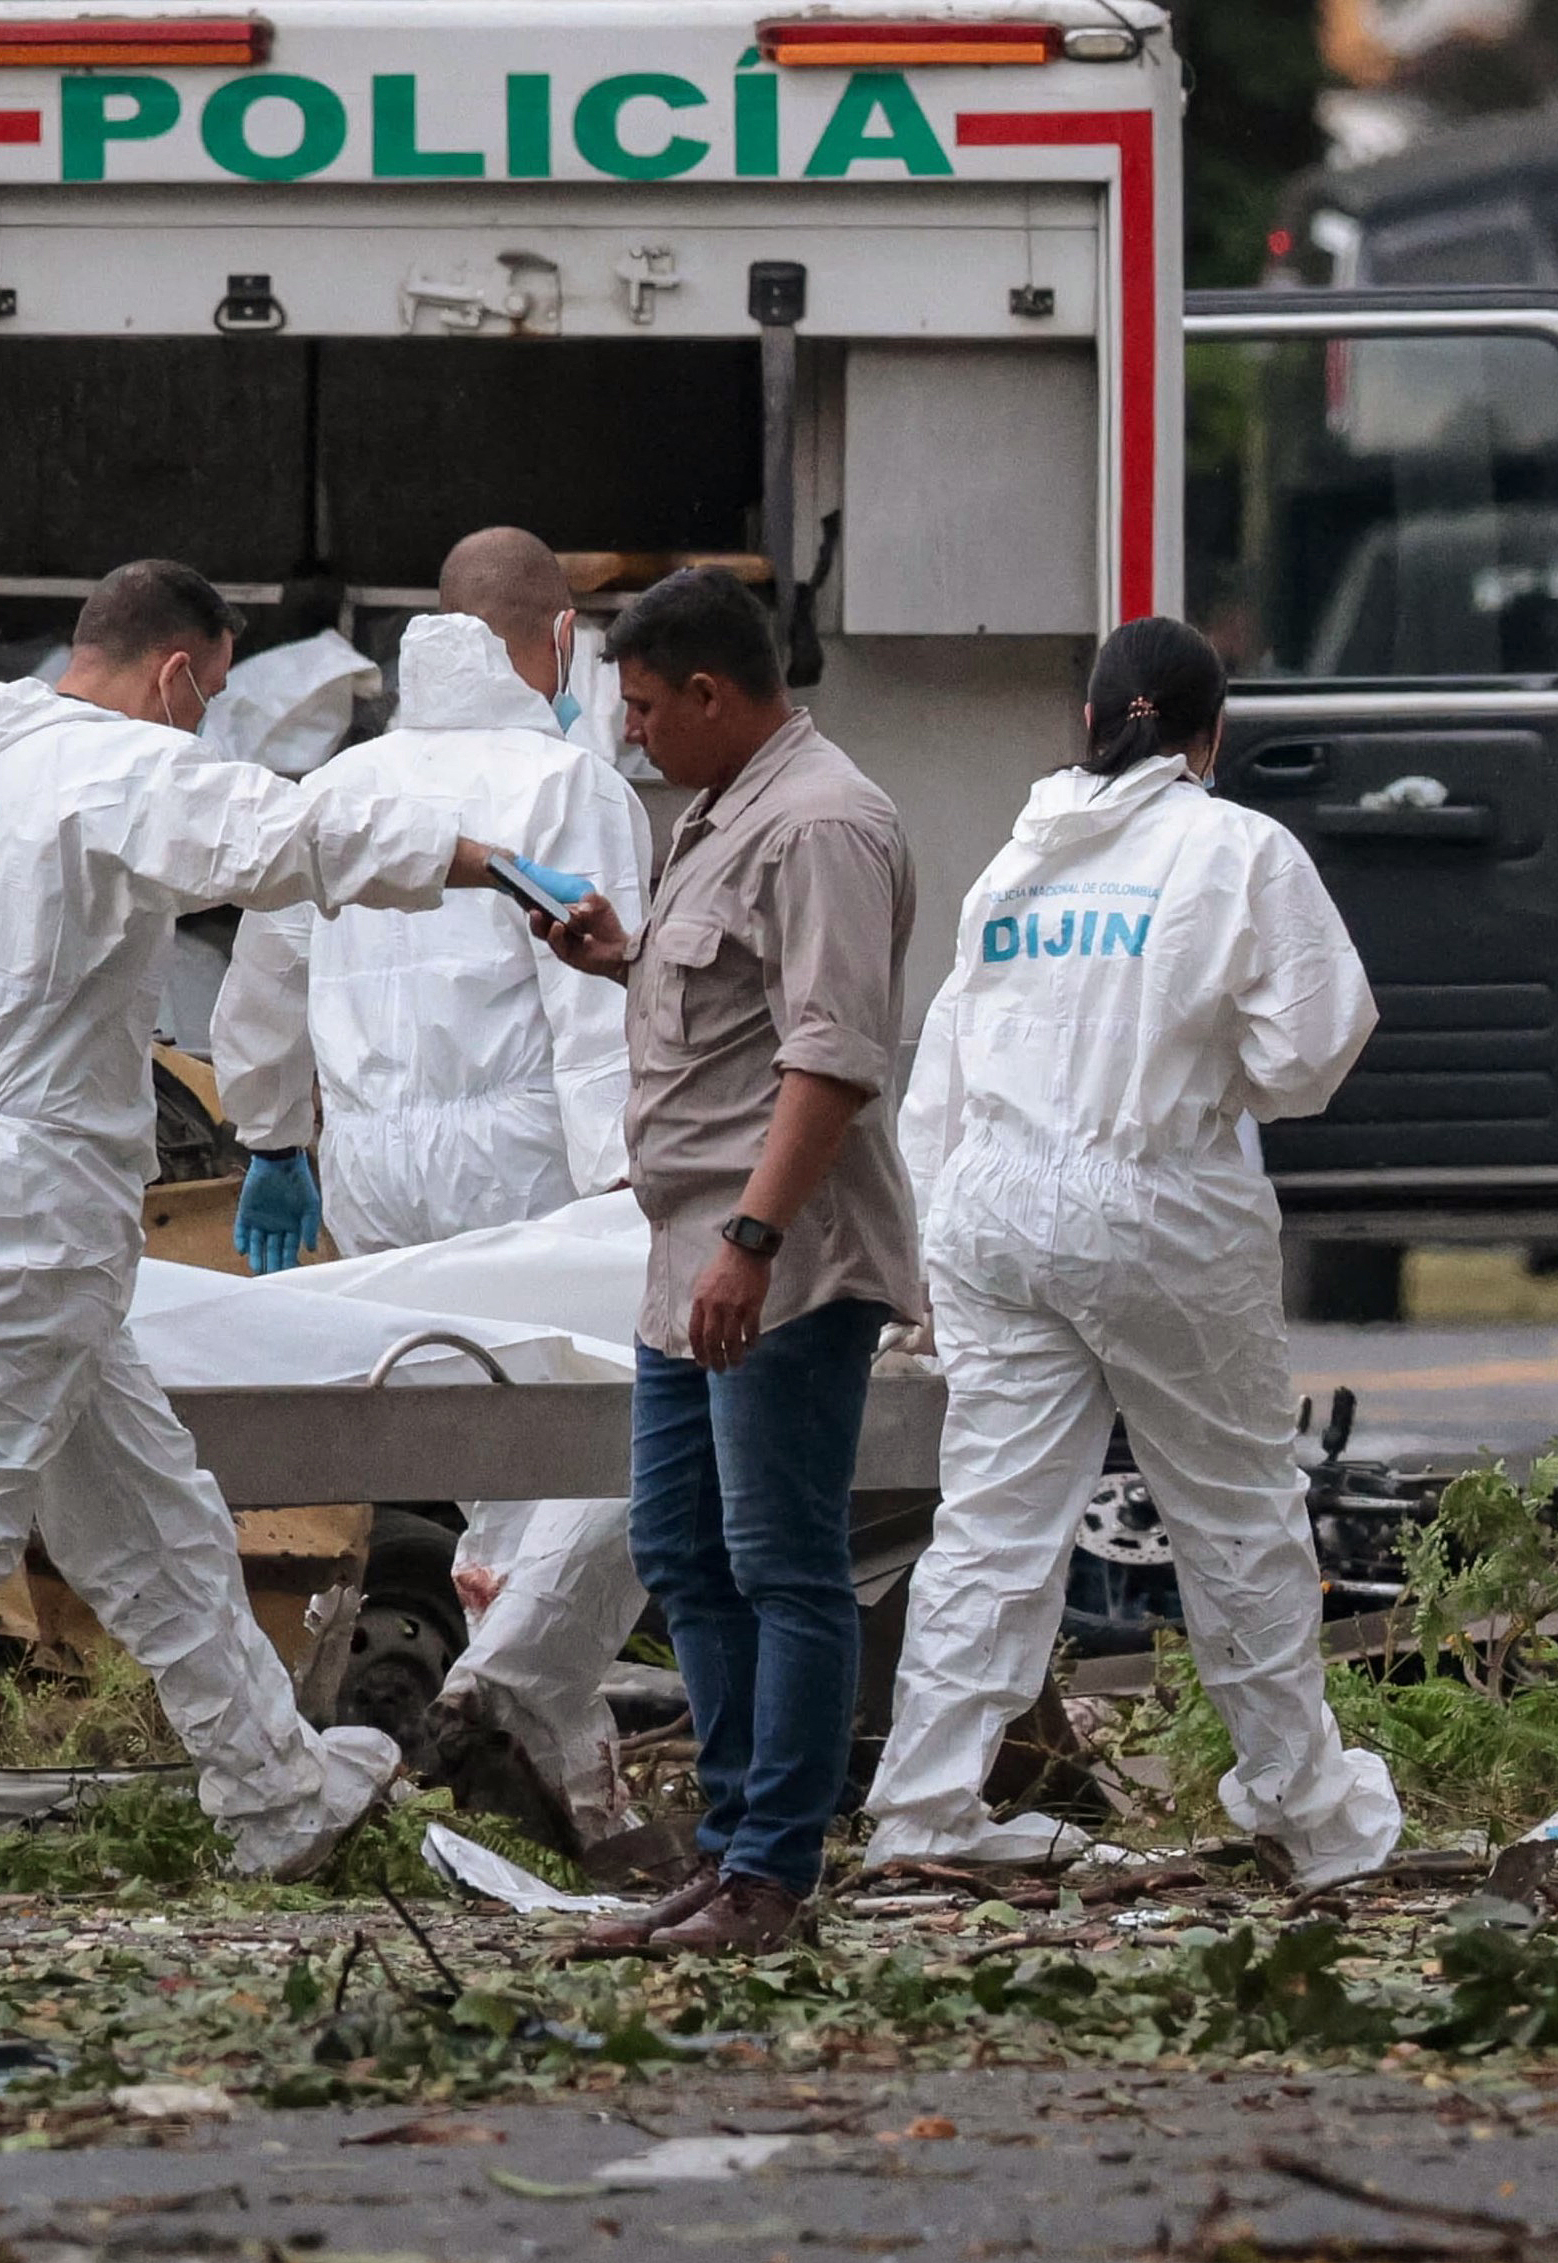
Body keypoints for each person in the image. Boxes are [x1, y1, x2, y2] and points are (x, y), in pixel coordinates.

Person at [0, 560, 514, 1878]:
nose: (201, 723)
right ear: (173, 673)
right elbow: (285, 841)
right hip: (31, 1205)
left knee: (157, 1523)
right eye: (206, 696)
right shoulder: (108, 767)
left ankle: (274, 1796)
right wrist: (485, 860)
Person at [864, 618, 1404, 1885]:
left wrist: (933, 1255)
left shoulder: (1016, 863)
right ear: (1210, 737)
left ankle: (922, 1810)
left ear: (1091, 727)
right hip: (1156, 1202)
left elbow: (940, 1069)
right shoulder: (1234, 849)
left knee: (992, 1521)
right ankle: (1306, 1812)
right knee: (1232, 1515)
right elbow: (1312, 1049)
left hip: (990, 1213)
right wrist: (1220, 1068)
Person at [211, 526, 653, 1849]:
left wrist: (274, 1136)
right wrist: (622, 1186)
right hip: (521, 1149)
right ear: (555, 640)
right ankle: (513, 1689)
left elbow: (264, 977)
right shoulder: (569, 784)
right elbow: (594, 1006)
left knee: (469, 1436)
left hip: (374, 1159)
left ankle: (537, 1745)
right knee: (585, 1427)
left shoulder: (342, 778)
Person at [536, 568, 924, 1955]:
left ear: (710, 692)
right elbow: (739, 1005)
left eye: (644, 708)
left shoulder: (822, 821)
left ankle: (772, 1871)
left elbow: (833, 1055)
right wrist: (623, 960)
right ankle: (726, 1850)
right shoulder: (726, 805)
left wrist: (752, 1243)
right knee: (685, 1553)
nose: (631, 735)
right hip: (684, 1248)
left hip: (780, 1253)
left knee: (779, 1558)